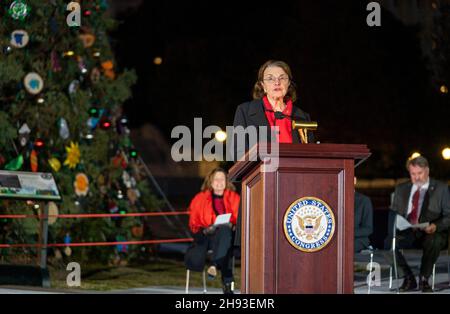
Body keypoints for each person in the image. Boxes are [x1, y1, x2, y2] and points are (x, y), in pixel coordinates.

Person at [232, 59, 315, 248]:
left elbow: (311, 155)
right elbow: (238, 151)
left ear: (289, 83)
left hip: (296, 192)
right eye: (270, 78)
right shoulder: (245, 111)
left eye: (281, 78)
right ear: (262, 84)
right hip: (260, 188)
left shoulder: (301, 116)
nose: (276, 83)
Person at [390, 156, 450, 292]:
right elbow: (393, 214)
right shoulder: (401, 189)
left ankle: (424, 279)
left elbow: (449, 215)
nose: (416, 177)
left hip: (433, 231)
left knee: (433, 240)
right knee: (388, 241)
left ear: (427, 171)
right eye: (413, 174)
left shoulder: (441, 189)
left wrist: (436, 225)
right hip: (408, 231)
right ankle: (408, 278)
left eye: (420, 173)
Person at [184, 168, 240, 294]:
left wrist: (232, 225)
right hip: (207, 237)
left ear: (227, 181)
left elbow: (240, 220)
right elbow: (194, 223)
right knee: (226, 247)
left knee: (225, 233)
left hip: (228, 237)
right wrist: (206, 230)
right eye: (216, 179)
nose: (219, 182)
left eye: (222, 179)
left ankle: (214, 265)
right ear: (210, 181)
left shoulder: (234, 198)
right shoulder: (200, 198)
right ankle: (227, 286)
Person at [354, 178, 374, 253]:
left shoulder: (364, 200)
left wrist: (347, 233)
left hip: (357, 241)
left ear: (354, 180)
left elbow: (368, 229)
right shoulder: (335, 199)